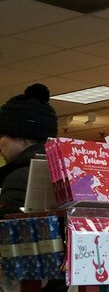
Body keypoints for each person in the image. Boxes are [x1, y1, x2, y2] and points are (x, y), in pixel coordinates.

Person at [0, 83, 58, 217]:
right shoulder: (67, 172)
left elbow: (9, 226)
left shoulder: (19, 178)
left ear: (21, 136)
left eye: (2, 136)